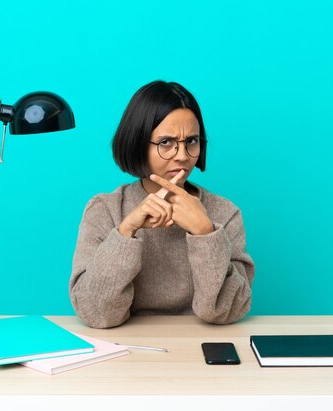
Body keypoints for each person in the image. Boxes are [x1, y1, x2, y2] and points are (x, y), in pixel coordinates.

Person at [69, 80, 254, 328]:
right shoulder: (104, 210)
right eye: (166, 142)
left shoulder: (225, 212)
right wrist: (125, 233)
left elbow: (225, 312)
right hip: (126, 350)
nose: (182, 155)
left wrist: (205, 233)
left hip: (202, 348)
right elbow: (96, 313)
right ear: (138, 143)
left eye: (192, 141)